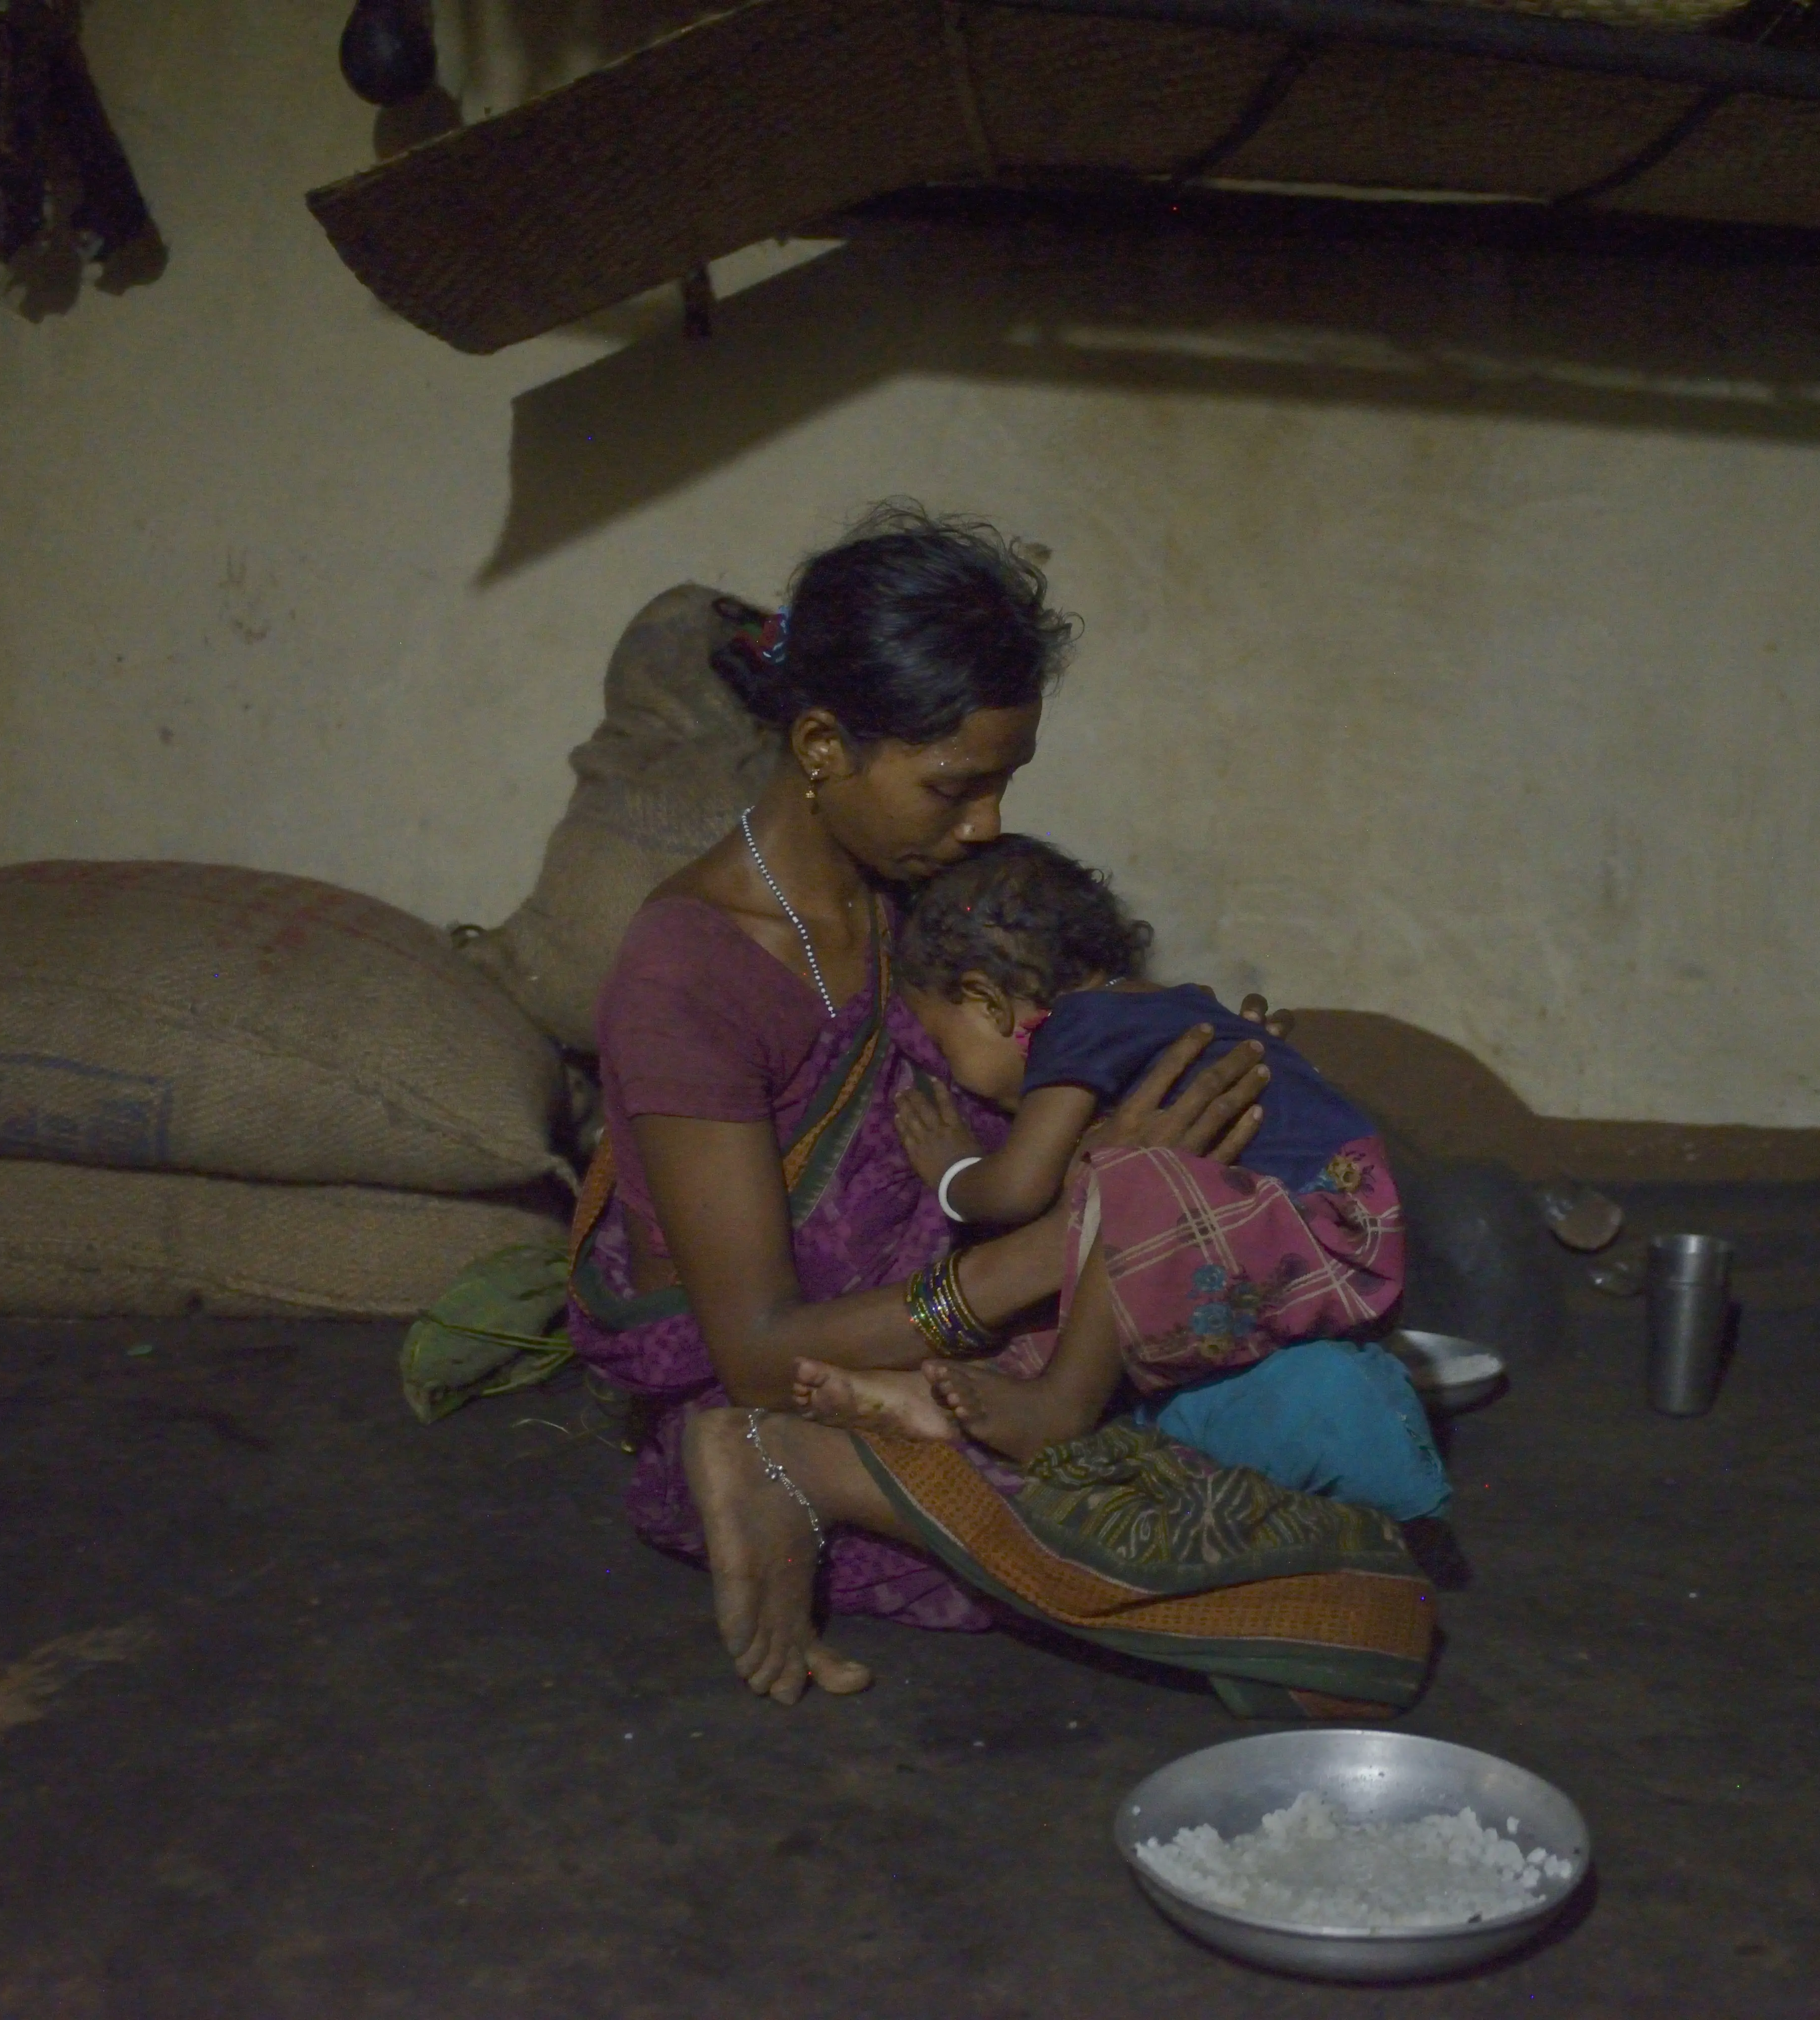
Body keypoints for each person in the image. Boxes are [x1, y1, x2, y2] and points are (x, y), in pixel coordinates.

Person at [568, 505, 1434, 1717]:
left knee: (1324, 1463)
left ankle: (863, 1461)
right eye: (951, 787)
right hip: (802, 1377)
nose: (984, 824)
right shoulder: (689, 972)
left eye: (1002, 785)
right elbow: (760, 1346)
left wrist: (1168, 1095)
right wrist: (1078, 1222)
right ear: (821, 744)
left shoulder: (926, 900)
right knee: (1344, 1608)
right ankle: (783, 1464)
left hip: (990, 1344)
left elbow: (1046, 1058)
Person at [789, 837, 1447, 1525]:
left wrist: (953, 1169)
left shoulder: (1081, 1026)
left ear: (989, 1003)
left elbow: (1019, 1189)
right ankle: (951, 1397)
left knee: (1123, 1178)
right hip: (1344, 1228)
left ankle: (1057, 1406)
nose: (953, 1071)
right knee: (1105, 1236)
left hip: (1317, 1218)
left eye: (948, 1044)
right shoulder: (1171, 1007)